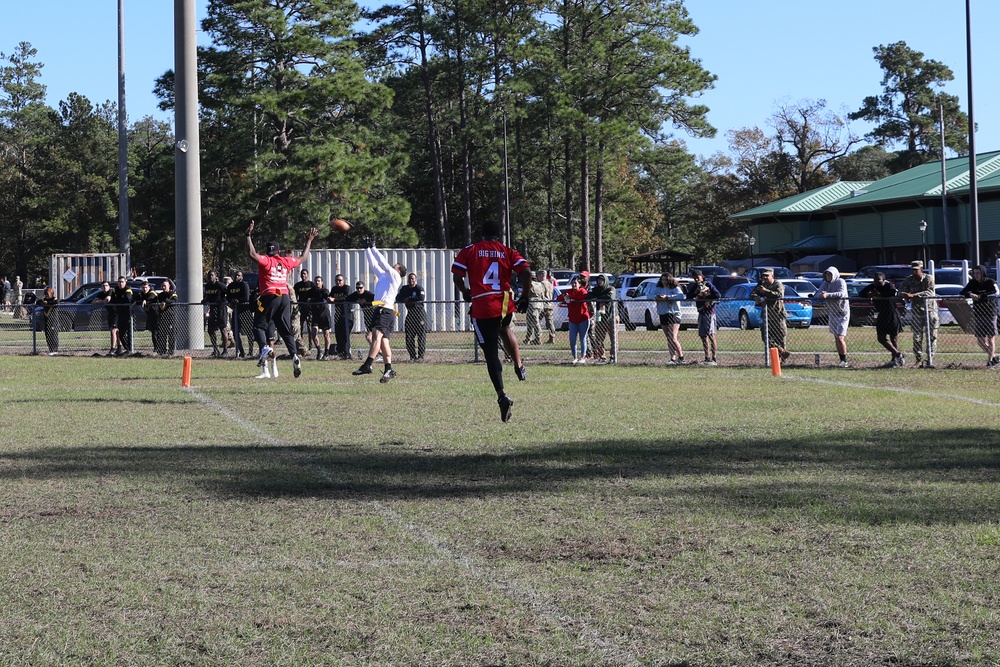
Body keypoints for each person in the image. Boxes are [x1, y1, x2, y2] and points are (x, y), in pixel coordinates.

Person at [451, 221, 531, 422]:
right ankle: (519, 365)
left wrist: (466, 292)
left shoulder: (470, 250)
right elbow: (526, 272)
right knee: (505, 328)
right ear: (499, 235)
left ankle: (502, 395)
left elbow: (457, 276)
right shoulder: (507, 251)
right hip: (503, 302)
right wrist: (525, 296)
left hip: (482, 304)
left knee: (490, 353)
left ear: (482, 234)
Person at [246, 220, 318, 379]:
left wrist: (248, 235)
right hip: (284, 297)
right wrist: (309, 241)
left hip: (270, 295)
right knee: (285, 330)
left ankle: (265, 348)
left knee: (258, 326)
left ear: (268, 251)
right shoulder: (285, 261)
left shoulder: (267, 260)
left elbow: (252, 254)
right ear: (279, 251)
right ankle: (294, 356)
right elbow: (303, 257)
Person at [352, 240, 405, 382]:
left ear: (399, 271)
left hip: (384, 311)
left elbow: (383, 262)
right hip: (383, 311)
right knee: (384, 342)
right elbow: (374, 265)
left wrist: (374, 248)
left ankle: (367, 365)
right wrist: (367, 249)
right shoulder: (384, 276)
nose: (394, 266)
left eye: (396, 266)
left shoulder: (395, 276)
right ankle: (388, 370)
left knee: (376, 337)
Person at [897, 260, 938, 368]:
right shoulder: (909, 280)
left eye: (916, 270)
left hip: (930, 310)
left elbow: (930, 292)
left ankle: (930, 359)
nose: (914, 272)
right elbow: (899, 291)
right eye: (913, 270)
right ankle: (918, 359)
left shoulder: (928, 278)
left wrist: (914, 295)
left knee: (932, 336)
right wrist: (905, 294)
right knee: (917, 336)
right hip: (917, 311)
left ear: (921, 270)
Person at [859, 273, 904, 367]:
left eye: (878, 280)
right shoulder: (872, 286)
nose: (876, 282)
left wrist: (879, 295)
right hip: (882, 314)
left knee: (894, 338)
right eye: (874, 280)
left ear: (883, 280)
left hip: (892, 313)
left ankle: (894, 360)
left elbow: (892, 292)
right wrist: (869, 294)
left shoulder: (888, 286)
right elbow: (861, 293)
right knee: (881, 338)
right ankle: (898, 354)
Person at [959, 264, 999, 367]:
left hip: (990, 313)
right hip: (978, 313)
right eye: (975, 273)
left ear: (983, 273)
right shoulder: (972, 283)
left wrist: (981, 296)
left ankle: (990, 361)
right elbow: (962, 292)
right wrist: (970, 295)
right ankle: (993, 356)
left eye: (978, 273)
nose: (976, 275)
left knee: (991, 338)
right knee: (980, 340)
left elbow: (996, 292)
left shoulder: (990, 282)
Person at [750, 268, 790, 363]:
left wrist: (766, 291)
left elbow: (779, 295)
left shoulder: (777, 284)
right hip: (766, 314)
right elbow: (752, 293)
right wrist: (757, 297)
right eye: (763, 276)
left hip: (778, 314)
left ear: (772, 276)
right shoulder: (761, 285)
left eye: (767, 275)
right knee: (765, 337)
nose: (764, 277)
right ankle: (781, 351)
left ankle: (781, 360)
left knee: (781, 337)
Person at [814, 267, 850, 367]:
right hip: (832, 313)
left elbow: (841, 293)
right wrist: (820, 295)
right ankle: (841, 359)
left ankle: (844, 361)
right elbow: (817, 294)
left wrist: (828, 295)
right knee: (836, 337)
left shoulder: (840, 281)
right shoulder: (825, 283)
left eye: (830, 275)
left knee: (840, 337)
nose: (828, 277)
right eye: (826, 275)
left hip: (842, 313)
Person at [685, 269, 721, 365]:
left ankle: (714, 358)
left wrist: (706, 295)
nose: (696, 279)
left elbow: (717, 295)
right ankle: (707, 357)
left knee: (711, 335)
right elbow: (688, 296)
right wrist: (696, 292)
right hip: (701, 312)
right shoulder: (696, 286)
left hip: (709, 312)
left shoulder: (708, 284)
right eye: (694, 277)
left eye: (698, 276)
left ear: (702, 276)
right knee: (703, 336)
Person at [651, 272, 686, 364]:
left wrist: (667, 297)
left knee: (673, 337)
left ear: (670, 279)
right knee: (668, 338)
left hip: (673, 314)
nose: (664, 281)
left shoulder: (675, 288)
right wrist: (657, 297)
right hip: (663, 313)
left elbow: (681, 296)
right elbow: (649, 295)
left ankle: (681, 357)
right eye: (662, 279)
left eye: (665, 279)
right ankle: (673, 358)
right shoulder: (659, 288)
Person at [397, 272, 427, 362]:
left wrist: (409, 298)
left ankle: (420, 357)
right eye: (410, 279)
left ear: (415, 280)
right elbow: (398, 297)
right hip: (410, 314)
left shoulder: (419, 288)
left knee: (421, 336)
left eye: (413, 279)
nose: (411, 280)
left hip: (419, 314)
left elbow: (421, 298)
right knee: (409, 336)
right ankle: (413, 356)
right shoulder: (404, 289)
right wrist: (404, 299)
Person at [561, 276, 591, 364]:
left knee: (582, 338)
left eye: (576, 283)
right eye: (572, 283)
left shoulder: (582, 291)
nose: (574, 285)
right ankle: (575, 357)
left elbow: (582, 296)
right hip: (573, 320)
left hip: (583, 319)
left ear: (579, 284)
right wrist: (565, 297)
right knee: (572, 339)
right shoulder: (568, 292)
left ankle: (582, 357)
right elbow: (559, 297)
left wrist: (570, 298)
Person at [202, 270, 230, 357]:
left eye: (212, 275)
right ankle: (215, 349)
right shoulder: (207, 286)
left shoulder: (220, 285)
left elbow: (228, 293)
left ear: (215, 276)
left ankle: (225, 350)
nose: (210, 277)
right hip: (212, 309)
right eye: (209, 275)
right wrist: (205, 300)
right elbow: (207, 296)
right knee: (210, 330)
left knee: (223, 329)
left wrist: (223, 301)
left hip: (221, 309)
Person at [589, 273, 615, 362]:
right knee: (598, 338)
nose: (600, 282)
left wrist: (597, 298)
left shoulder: (611, 288)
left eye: (602, 280)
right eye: (598, 280)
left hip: (611, 316)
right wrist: (598, 298)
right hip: (599, 316)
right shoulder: (596, 289)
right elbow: (588, 295)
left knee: (613, 338)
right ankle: (602, 356)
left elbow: (610, 296)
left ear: (605, 281)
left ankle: (613, 356)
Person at [227, 270, 253, 358]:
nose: (236, 277)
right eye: (235, 275)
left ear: (242, 277)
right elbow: (228, 297)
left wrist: (239, 301)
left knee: (249, 332)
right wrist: (232, 301)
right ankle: (241, 351)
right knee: (235, 331)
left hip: (245, 311)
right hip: (236, 311)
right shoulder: (231, 286)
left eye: (238, 275)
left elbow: (246, 298)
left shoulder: (244, 285)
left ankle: (251, 351)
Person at [307, 275, 333, 360]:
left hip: (324, 315)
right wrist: (311, 300)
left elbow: (323, 298)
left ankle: (326, 353)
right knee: (314, 333)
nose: (317, 282)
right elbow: (306, 299)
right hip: (316, 315)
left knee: (326, 334)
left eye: (319, 281)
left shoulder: (325, 290)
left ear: (322, 282)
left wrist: (312, 300)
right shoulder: (311, 291)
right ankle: (319, 351)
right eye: (316, 281)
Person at [346, 280, 375, 352]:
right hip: (367, 318)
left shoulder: (368, 294)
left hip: (374, 317)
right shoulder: (356, 294)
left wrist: (367, 302)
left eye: (360, 288)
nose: (359, 289)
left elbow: (377, 301)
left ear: (364, 287)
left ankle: (379, 352)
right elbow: (346, 298)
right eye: (357, 288)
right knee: (370, 337)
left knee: (369, 337)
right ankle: (377, 352)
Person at [328, 274, 352, 359]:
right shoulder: (334, 289)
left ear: (343, 281)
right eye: (336, 280)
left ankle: (347, 353)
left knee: (345, 335)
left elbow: (346, 298)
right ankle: (341, 353)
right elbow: (330, 296)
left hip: (347, 315)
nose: (338, 282)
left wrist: (335, 300)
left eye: (340, 280)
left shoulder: (347, 288)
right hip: (338, 314)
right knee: (338, 334)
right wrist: (329, 299)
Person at [110, 276, 134, 356]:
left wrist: (118, 301)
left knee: (129, 333)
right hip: (119, 315)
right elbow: (112, 300)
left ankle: (130, 349)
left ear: (125, 282)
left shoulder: (128, 290)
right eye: (119, 282)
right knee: (121, 334)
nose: (121, 283)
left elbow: (127, 299)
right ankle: (127, 349)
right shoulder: (115, 290)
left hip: (128, 315)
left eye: (122, 282)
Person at [133, 280, 160, 354]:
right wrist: (136, 302)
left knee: (156, 332)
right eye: (143, 287)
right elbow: (134, 299)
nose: (145, 289)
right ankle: (156, 348)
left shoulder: (152, 292)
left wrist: (145, 300)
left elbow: (151, 298)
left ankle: (158, 349)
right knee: (153, 332)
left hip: (157, 315)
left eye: (146, 287)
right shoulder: (141, 294)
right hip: (150, 316)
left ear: (149, 287)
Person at [523, 270, 548, 346]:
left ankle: (535, 338)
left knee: (531, 323)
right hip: (540, 305)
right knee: (535, 322)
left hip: (532, 305)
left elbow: (525, 294)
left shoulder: (530, 284)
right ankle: (531, 338)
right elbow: (543, 295)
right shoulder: (540, 284)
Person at [293, 268, 314, 355]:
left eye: (305, 274)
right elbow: (295, 296)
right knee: (299, 327)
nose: (303, 275)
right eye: (302, 274)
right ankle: (300, 345)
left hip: (309, 309)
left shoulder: (311, 284)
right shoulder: (298, 285)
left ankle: (310, 345)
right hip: (301, 308)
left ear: (307, 275)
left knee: (310, 328)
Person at [154, 279, 178, 356]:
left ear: (169, 286)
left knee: (171, 336)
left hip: (171, 318)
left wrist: (165, 302)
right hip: (162, 318)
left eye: (165, 286)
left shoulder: (172, 294)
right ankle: (162, 351)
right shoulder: (160, 295)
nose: (163, 287)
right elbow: (155, 301)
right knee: (162, 335)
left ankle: (171, 352)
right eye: (162, 286)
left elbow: (174, 300)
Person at [39, 286, 59, 355]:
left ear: (51, 294)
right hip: (46, 320)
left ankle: (55, 350)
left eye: (47, 294)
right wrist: (42, 303)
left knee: (54, 335)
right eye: (45, 294)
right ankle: (50, 350)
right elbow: (38, 302)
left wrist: (47, 303)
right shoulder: (44, 299)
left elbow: (56, 303)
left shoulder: (54, 299)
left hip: (53, 321)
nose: (46, 296)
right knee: (47, 335)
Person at [541, 271, 556, 344]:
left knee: (536, 322)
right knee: (550, 322)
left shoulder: (542, 284)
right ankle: (552, 337)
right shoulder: (550, 283)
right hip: (550, 304)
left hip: (543, 304)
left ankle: (538, 337)